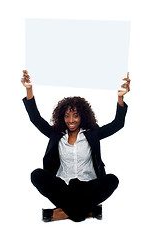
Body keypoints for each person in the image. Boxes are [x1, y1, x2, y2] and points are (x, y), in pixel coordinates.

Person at [21, 70, 130, 222]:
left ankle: (60, 213)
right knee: (36, 175)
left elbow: (117, 124)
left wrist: (120, 97)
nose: (71, 120)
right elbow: (35, 119)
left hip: (88, 187)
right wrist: (29, 90)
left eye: (75, 115)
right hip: (63, 187)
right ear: (62, 117)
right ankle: (89, 211)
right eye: (67, 115)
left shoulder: (92, 133)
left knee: (112, 180)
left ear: (82, 116)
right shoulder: (57, 134)